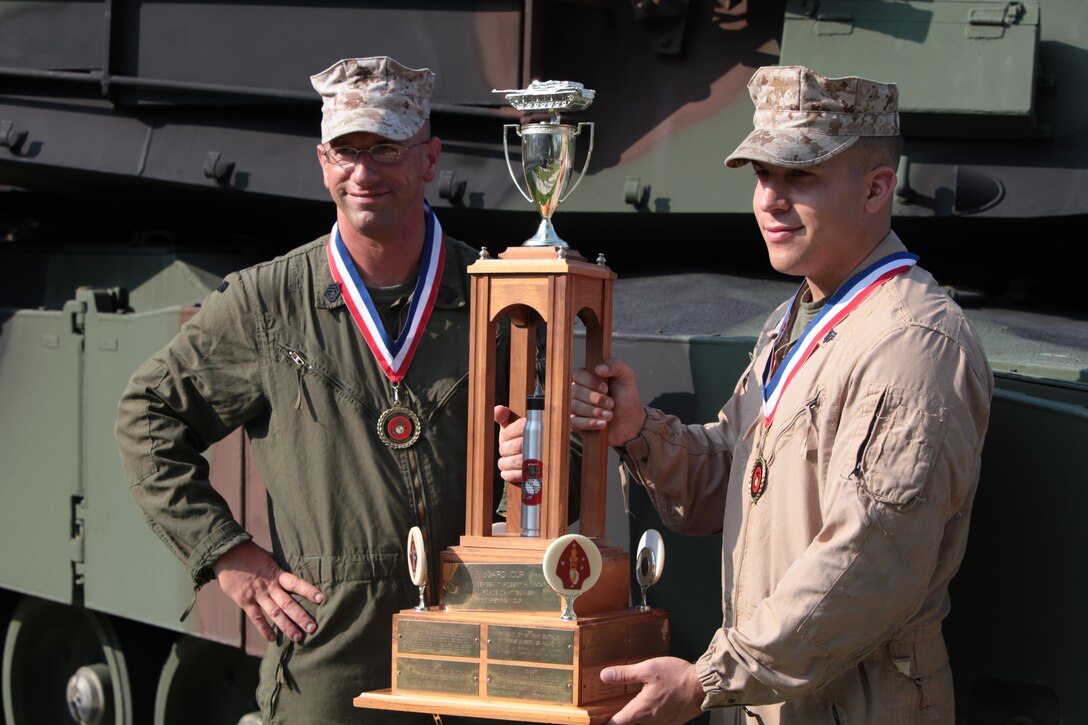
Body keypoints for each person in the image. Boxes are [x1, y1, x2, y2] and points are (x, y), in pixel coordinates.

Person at [499, 65, 994, 724]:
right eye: (763, 175)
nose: (770, 199)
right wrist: (636, 429)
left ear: (877, 189)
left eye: (801, 177)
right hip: (770, 699)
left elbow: (866, 562)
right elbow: (732, 480)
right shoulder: (797, 320)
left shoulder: (913, 342)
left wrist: (710, 676)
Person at [116, 56, 500, 724]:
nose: (364, 170)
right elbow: (147, 415)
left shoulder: (496, 291)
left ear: (430, 158)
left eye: (386, 147)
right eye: (347, 150)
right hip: (332, 654)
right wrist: (227, 555)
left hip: (476, 640)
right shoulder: (268, 302)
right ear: (323, 161)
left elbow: (559, 450)